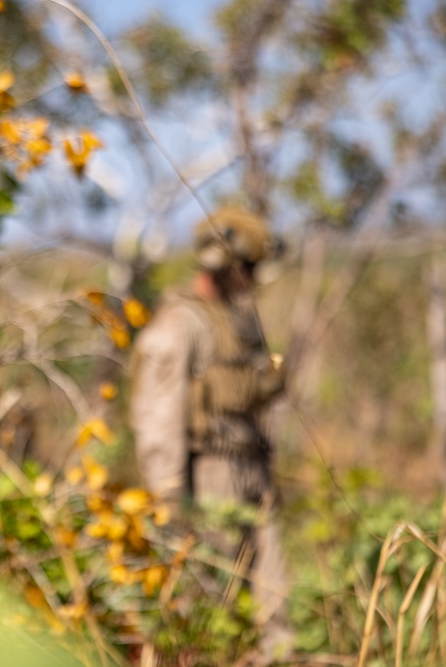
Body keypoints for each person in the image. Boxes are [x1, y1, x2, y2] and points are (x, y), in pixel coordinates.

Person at [128, 206, 292, 661]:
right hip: (207, 481)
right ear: (228, 265)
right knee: (205, 607)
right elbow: (157, 421)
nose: (255, 280)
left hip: (252, 473)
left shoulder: (239, 319)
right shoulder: (181, 323)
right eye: (251, 269)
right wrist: (169, 499)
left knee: (274, 603)